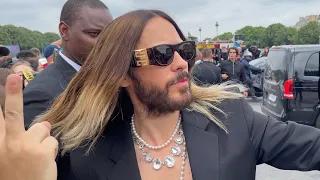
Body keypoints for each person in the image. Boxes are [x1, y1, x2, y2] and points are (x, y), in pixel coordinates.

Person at [2, 9, 320, 180]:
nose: (182, 62)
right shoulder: (84, 153)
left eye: (184, 49)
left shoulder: (233, 118)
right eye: (163, 54)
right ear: (123, 73)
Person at [23, 0, 113, 126]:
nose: (106, 43)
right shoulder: (42, 95)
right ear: (64, 30)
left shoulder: (110, 80)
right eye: (94, 34)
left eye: (109, 35)